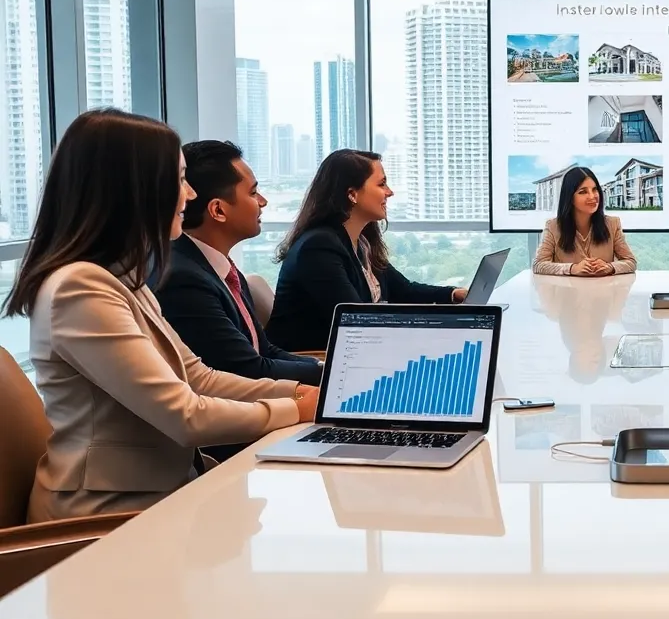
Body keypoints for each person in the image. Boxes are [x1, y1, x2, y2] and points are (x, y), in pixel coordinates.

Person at [6, 109, 318, 521]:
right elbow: (184, 415)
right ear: (135, 190)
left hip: (161, 496)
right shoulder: (80, 289)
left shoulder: (124, 281)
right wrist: (295, 409)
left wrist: (296, 393)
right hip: (103, 517)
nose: (189, 195)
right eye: (180, 179)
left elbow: (199, 378)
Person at [154, 141, 321, 387]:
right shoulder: (182, 279)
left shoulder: (221, 268)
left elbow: (264, 350)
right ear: (218, 210)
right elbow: (246, 369)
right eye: (253, 193)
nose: (262, 201)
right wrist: (336, 375)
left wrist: (324, 367)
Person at [267, 149, 466, 352]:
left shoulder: (361, 243)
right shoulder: (318, 247)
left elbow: (404, 290)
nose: (389, 192)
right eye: (381, 184)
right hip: (313, 358)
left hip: (354, 352)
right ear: (352, 194)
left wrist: (454, 294)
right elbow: (356, 321)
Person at [532, 166, 637, 276]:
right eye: (583, 192)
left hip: (602, 286)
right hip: (567, 287)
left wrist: (610, 267)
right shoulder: (553, 226)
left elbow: (631, 262)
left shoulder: (612, 223)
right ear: (570, 197)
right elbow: (539, 264)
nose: (592, 196)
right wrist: (572, 268)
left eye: (595, 190)